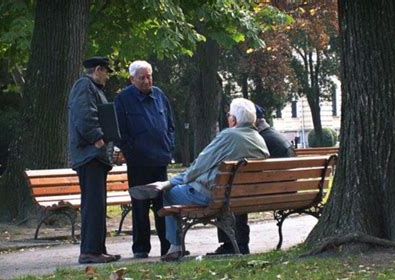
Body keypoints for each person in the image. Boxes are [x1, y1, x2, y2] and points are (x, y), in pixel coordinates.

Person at [129, 98, 269, 261]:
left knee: (168, 194)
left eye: (229, 114)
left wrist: (170, 182)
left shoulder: (229, 136)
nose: (228, 117)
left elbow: (199, 165)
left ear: (234, 119)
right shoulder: (259, 139)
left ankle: (175, 247)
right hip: (244, 195)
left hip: (214, 195)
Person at [209, 104, 296, 255]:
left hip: (266, 193)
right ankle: (235, 244)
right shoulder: (274, 136)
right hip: (287, 192)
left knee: (229, 194)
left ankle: (233, 245)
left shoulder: (255, 139)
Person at [115, 60, 175, 258]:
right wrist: (131, 151)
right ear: (132, 79)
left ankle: (167, 247)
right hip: (138, 162)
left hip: (160, 159)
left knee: (162, 207)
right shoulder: (123, 99)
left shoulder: (159, 95)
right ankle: (141, 248)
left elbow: (170, 124)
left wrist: (169, 145)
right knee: (140, 207)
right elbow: (120, 131)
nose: (147, 80)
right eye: (142, 77)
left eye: (149, 76)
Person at [68, 56, 120, 264]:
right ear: (98, 69)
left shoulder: (93, 88)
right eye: (106, 72)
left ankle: (98, 249)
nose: (107, 77)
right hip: (89, 155)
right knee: (92, 204)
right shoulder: (84, 86)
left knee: (98, 204)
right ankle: (90, 250)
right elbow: (84, 114)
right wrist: (97, 138)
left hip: (95, 156)